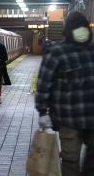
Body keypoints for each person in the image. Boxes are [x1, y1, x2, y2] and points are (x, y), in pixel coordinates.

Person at [36, 11, 94, 176]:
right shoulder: (57, 53)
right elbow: (43, 84)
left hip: (88, 119)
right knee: (70, 160)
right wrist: (42, 111)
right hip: (68, 119)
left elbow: (43, 84)